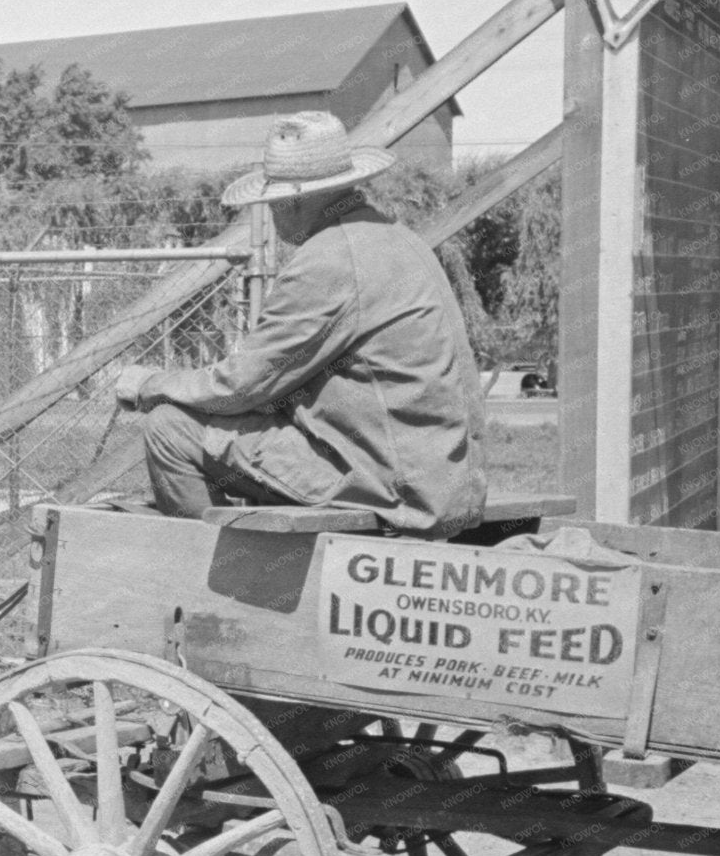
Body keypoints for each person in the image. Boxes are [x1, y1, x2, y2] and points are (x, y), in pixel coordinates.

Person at [112, 111, 487, 538]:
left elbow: (240, 386)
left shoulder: (328, 259)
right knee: (254, 426)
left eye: (271, 201)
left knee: (169, 428)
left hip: (395, 489)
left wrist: (149, 384)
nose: (271, 213)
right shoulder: (398, 238)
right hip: (441, 479)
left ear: (289, 201)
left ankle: (217, 582)